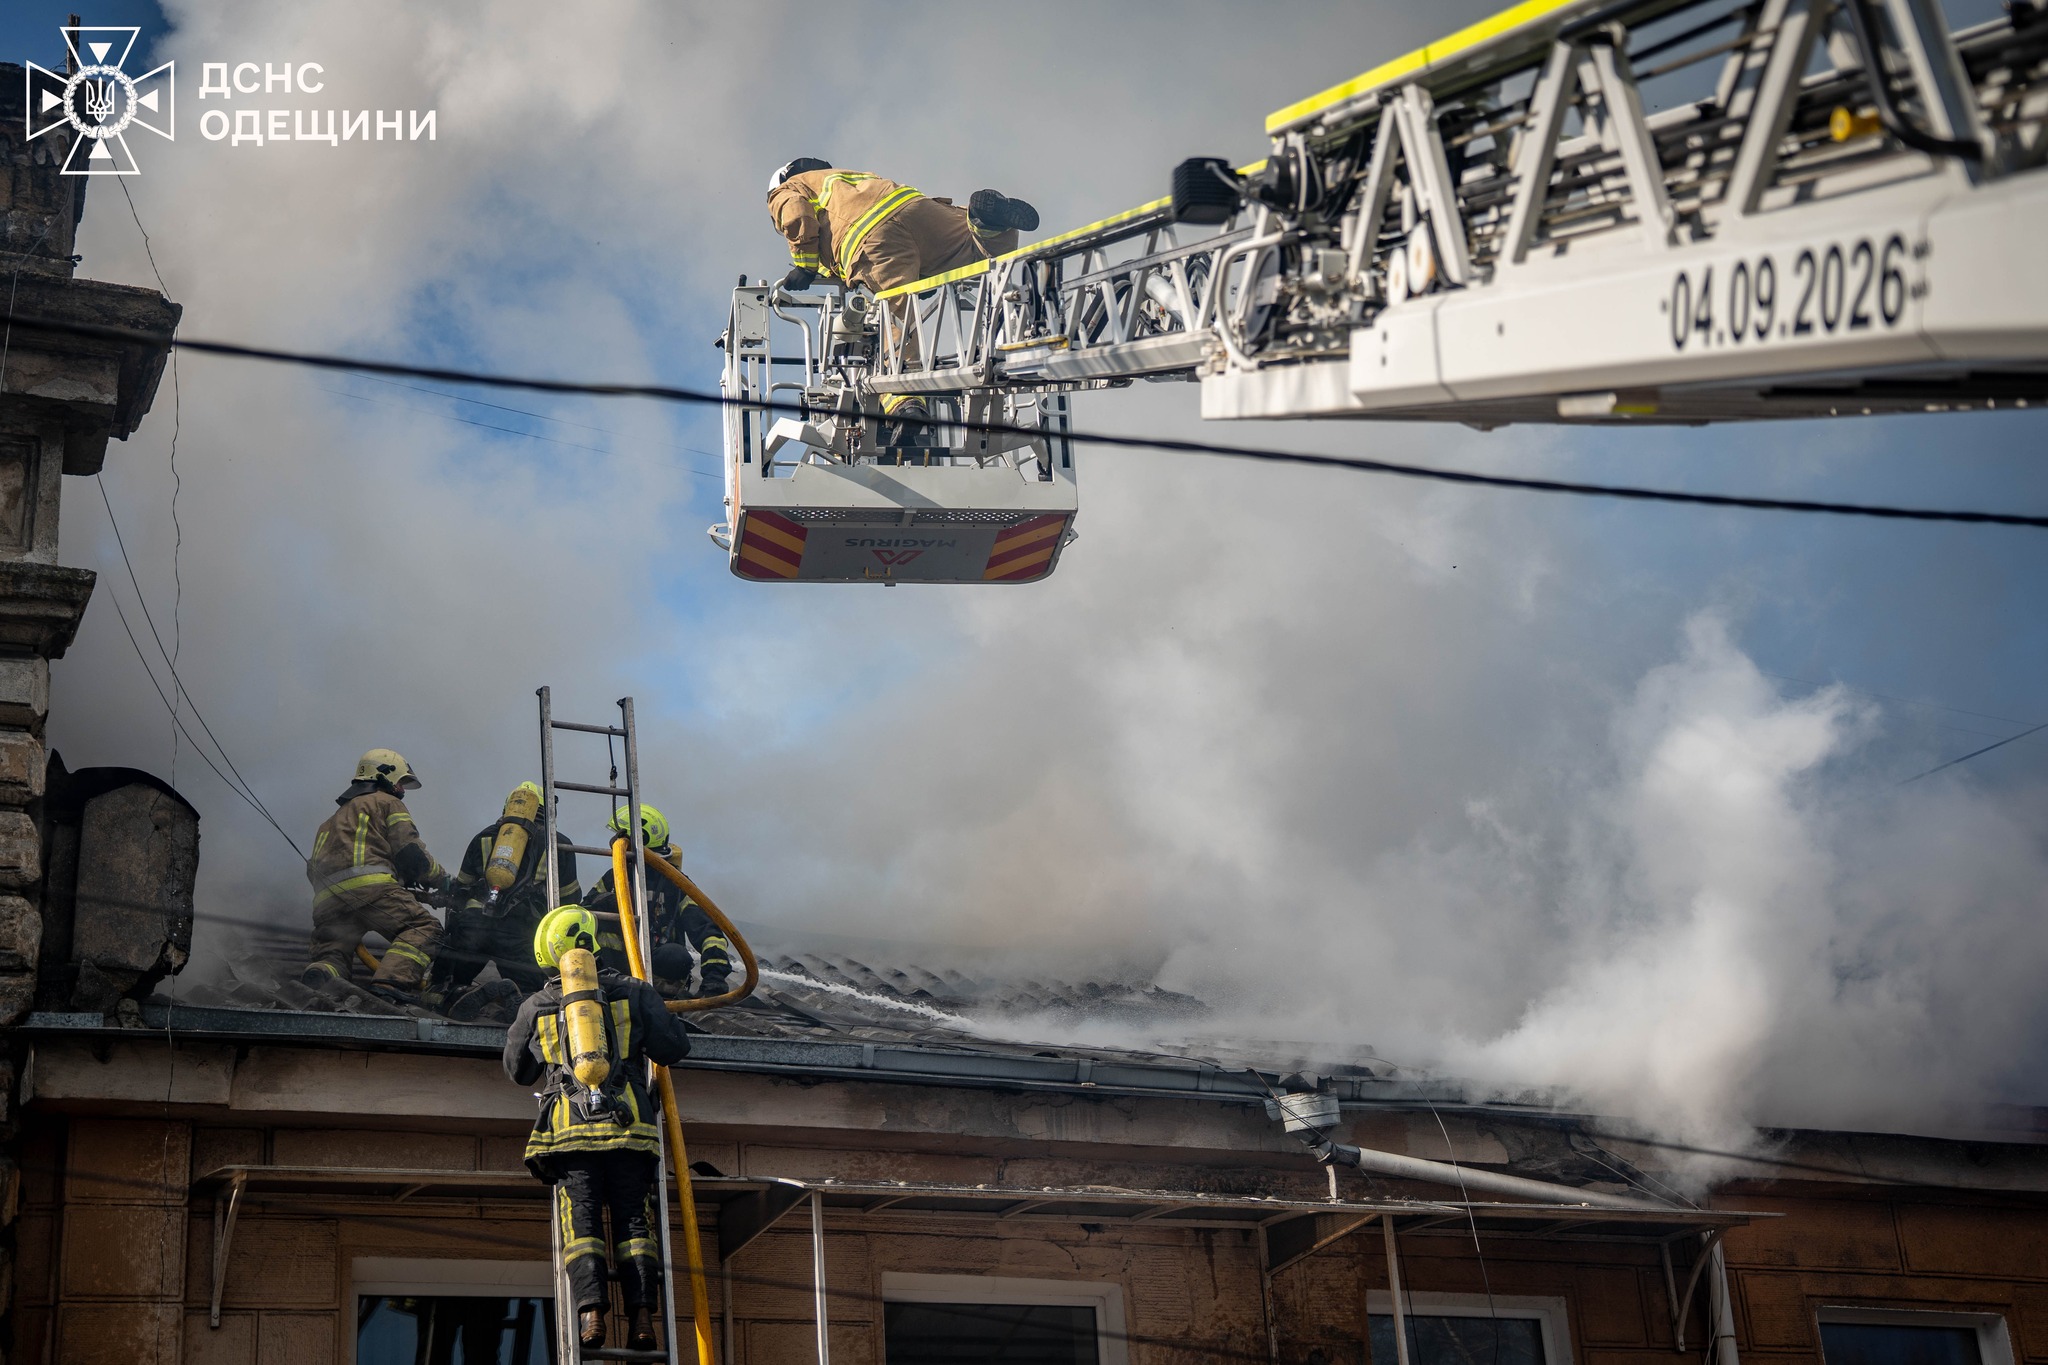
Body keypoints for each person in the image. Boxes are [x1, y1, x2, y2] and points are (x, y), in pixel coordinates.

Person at [504, 906, 692, 1352]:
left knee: (581, 1223)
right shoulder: (635, 991)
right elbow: (673, 1048)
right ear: (591, 941)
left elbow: (518, 1072)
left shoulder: (535, 1005)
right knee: (634, 1221)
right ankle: (643, 1318)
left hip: (570, 1133)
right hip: (630, 1129)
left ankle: (591, 1314)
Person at [766, 158, 1038, 434]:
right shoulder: (846, 176)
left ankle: (906, 403)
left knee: (895, 315)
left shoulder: (786, 188)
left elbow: (796, 214)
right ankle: (987, 221)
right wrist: (918, 275)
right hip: (916, 208)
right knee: (978, 252)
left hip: (871, 235)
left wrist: (804, 266)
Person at [303, 748, 451, 1005]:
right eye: (400, 782)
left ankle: (323, 974)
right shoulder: (387, 802)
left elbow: (312, 867)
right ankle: (389, 982)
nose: (402, 790)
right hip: (372, 892)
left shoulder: (329, 822)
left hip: (327, 901)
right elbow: (410, 852)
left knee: (333, 951)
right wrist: (443, 880)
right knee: (424, 928)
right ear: (383, 774)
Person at [434, 781, 583, 1015]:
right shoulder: (558, 844)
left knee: (448, 984)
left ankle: (456, 994)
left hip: (474, 927)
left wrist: (457, 930)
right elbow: (569, 898)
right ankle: (509, 1000)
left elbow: (461, 887)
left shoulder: (483, 837)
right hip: (521, 931)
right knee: (529, 992)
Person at [583, 804, 734, 998]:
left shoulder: (676, 883)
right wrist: (601, 902)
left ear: (639, 839)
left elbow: (708, 932)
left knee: (675, 955)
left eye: (620, 837)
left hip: (658, 976)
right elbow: (582, 913)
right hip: (611, 974)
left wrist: (715, 977)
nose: (614, 843)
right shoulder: (614, 877)